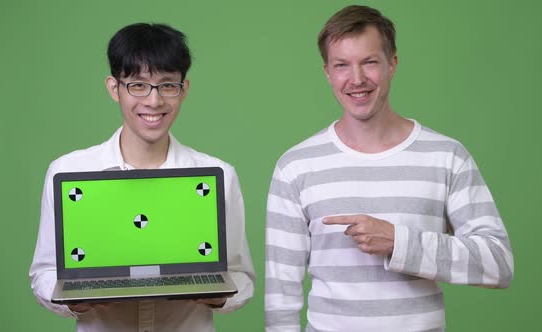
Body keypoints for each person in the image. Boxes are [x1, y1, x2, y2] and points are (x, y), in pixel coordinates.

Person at [264, 5, 513, 332]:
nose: (356, 80)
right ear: (327, 72)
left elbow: (498, 264)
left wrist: (400, 243)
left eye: (369, 62)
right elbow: (281, 295)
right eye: (342, 65)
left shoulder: (447, 156)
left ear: (392, 63)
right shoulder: (295, 166)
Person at [30, 23, 255, 332]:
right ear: (114, 88)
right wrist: (72, 300)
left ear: (183, 89)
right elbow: (44, 274)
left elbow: (241, 276)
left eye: (167, 85)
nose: (153, 101)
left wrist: (218, 296)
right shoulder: (68, 172)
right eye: (138, 85)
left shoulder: (219, 176)